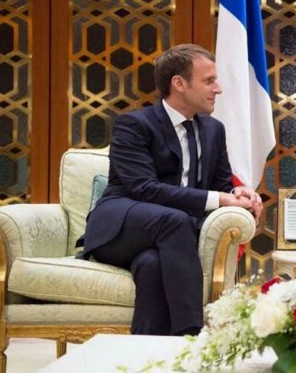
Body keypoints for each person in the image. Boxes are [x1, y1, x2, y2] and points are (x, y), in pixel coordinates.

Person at [81, 44, 263, 336]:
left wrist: (239, 193)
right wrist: (220, 198)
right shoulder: (133, 125)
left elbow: (222, 184)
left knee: (151, 265)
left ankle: (147, 353)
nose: (218, 89)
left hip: (171, 238)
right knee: (174, 220)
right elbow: (144, 189)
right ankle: (192, 337)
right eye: (209, 81)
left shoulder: (214, 130)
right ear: (179, 83)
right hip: (121, 228)